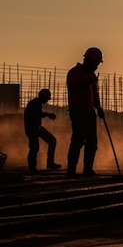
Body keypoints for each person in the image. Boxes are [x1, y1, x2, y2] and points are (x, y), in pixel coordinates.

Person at [66, 47, 105, 178]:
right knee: (77, 141)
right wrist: (87, 82)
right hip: (78, 112)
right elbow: (75, 86)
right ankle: (71, 171)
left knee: (92, 143)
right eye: (95, 64)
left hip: (89, 112)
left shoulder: (91, 75)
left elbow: (95, 94)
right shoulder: (74, 73)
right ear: (88, 61)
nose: (96, 67)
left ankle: (87, 169)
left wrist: (99, 108)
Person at [23, 88, 62, 173]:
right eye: (46, 99)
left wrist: (47, 115)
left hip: (36, 128)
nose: (47, 101)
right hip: (33, 129)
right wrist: (48, 114)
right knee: (34, 148)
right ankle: (32, 168)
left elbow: (37, 114)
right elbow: (37, 114)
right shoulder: (35, 103)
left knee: (51, 141)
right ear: (42, 97)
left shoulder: (35, 103)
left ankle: (49, 163)